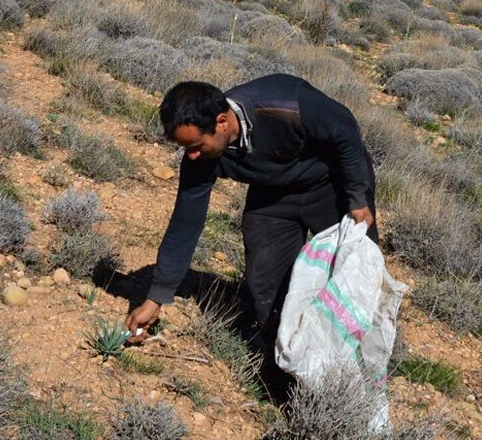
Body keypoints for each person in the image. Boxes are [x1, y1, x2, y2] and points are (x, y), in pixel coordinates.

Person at [125, 74, 378, 398]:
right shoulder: (201, 157)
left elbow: (344, 129)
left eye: (196, 146)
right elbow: (185, 225)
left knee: (352, 276)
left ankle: (358, 376)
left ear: (221, 122)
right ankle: (290, 373)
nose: (191, 157)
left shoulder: (284, 106)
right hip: (273, 195)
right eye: (185, 148)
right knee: (264, 283)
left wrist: (357, 196)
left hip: (333, 184)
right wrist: (156, 297)